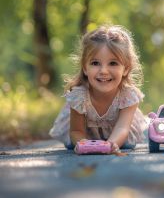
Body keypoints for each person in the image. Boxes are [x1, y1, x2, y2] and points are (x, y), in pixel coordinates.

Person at [49, 24, 146, 154]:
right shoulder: (79, 96)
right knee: (73, 145)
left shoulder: (128, 96)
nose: (104, 71)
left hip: (118, 133)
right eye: (95, 63)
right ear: (85, 68)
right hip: (84, 134)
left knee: (127, 144)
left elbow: (122, 128)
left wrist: (111, 145)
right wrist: (84, 144)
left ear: (126, 68)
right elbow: (76, 131)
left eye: (113, 63)